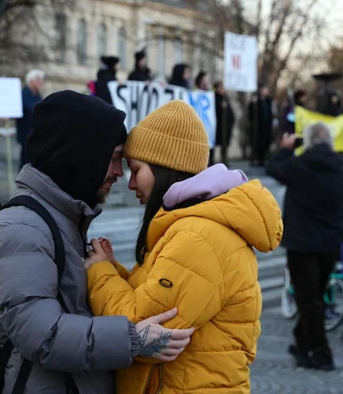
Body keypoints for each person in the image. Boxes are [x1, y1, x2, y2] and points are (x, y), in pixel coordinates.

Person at [0, 91, 195, 393]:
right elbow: (42, 336)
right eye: (115, 158)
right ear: (81, 154)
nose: (119, 173)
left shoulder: (62, 219)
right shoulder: (22, 228)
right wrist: (132, 339)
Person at [84, 100, 283, 393]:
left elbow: (141, 326)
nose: (131, 183)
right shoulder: (190, 225)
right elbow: (155, 298)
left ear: (165, 167)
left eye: (136, 169)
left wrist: (99, 274)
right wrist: (114, 270)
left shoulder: (198, 236)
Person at [266, 123, 343, 370]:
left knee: (307, 300)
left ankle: (322, 353)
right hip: (329, 243)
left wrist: (285, 149)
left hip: (302, 245)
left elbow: (272, 167)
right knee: (314, 299)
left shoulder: (299, 165)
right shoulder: (341, 167)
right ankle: (302, 343)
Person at [16, 69, 44, 168]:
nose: (41, 83)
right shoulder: (24, 94)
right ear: (32, 81)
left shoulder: (37, 96)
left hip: (35, 136)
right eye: (39, 80)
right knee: (25, 164)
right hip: (26, 136)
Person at [248, 84, 274, 166]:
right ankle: (256, 159)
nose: (266, 91)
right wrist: (253, 103)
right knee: (257, 143)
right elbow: (251, 113)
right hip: (258, 127)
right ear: (261, 90)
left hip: (267, 126)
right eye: (265, 89)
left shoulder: (269, 101)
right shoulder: (256, 101)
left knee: (265, 143)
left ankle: (263, 159)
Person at [210, 81, 235, 166]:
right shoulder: (214, 98)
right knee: (214, 144)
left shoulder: (225, 98)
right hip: (218, 126)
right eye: (221, 88)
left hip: (226, 126)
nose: (223, 90)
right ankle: (211, 161)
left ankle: (224, 160)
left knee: (225, 145)